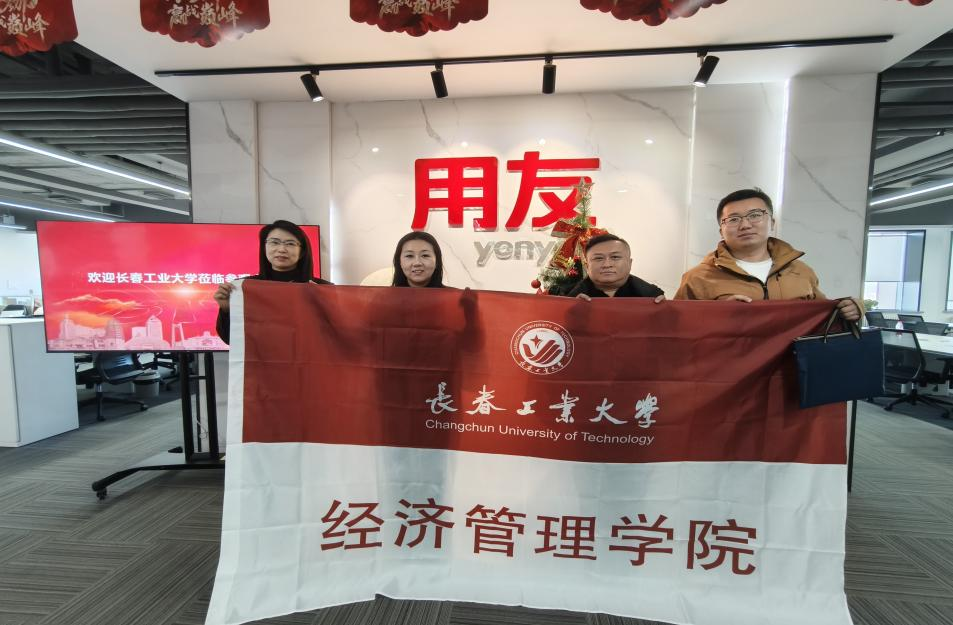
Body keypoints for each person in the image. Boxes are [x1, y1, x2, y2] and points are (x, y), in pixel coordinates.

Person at [674, 188, 861, 320]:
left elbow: (822, 317)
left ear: (772, 222)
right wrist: (717, 314)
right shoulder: (698, 278)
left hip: (794, 364)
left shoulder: (801, 271)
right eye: (733, 219)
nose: (745, 225)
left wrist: (851, 309)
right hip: (731, 365)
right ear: (721, 231)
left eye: (755, 215)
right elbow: (678, 327)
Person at [213, 219, 331, 343]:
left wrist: (324, 307)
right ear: (264, 247)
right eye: (274, 242)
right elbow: (230, 340)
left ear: (302, 251)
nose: (281, 249)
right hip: (261, 356)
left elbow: (333, 339)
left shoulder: (322, 288)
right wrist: (226, 309)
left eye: (290, 244)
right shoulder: (244, 288)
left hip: (307, 354)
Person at [564, 234, 665, 301]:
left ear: (630, 263)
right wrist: (570, 309)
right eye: (598, 258)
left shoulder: (651, 295)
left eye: (615, 257)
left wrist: (664, 310)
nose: (607, 264)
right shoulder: (569, 298)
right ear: (587, 266)